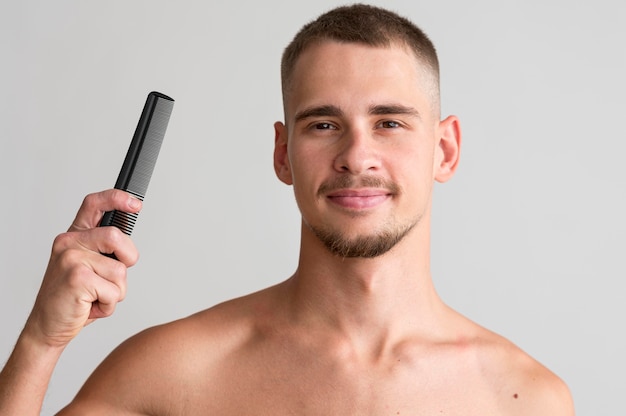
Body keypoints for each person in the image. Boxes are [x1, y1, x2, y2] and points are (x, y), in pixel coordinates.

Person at [0, 4, 574, 415]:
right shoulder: (173, 374)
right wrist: (39, 344)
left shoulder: (525, 398)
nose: (356, 156)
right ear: (283, 154)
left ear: (443, 150)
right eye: (323, 124)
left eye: (389, 122)